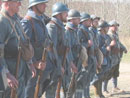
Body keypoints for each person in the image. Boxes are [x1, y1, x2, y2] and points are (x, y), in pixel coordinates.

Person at [0, 0, 36, 98]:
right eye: (17, 1)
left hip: (20, 69)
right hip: (9, 72)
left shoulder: (15, 19)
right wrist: (6, 74)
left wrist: (30, 62)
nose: (20, 4)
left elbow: (23, 42)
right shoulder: (2, 21)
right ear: (7, 3)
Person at [21, 0, 52, 97]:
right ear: (34, 6)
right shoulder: (27, 22)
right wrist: (34, 62)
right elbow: (23, 47)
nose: (45, 6)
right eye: (42, 3)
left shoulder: (40, 21)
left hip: (42, 69)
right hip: (31, 71)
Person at [46, 2, 69, 98]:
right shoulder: (52, 26)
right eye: (65, 13)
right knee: (51, 88)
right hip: (54, 63)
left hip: (61, 61)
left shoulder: (60, 26)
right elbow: (52, 49)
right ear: (59, 14)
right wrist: (59, 66)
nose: (67, 15)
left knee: (58, 87)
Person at [107, 20, 127, 93]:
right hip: (111, 57)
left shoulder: (115, 34)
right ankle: (104, 90)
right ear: (110, 26)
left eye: (116, 26)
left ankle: (115, 87)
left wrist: (124, 48)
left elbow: (119, 43)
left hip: (117, 57)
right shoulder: (108, 34)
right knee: (108, 73)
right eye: (114, 25)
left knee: (115, 73)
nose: (115, 27)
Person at [77, 12, 94, 98]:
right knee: (80, 80)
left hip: (89, 58)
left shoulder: (88, 30)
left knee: (87, 79)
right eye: (88, 20)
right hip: (82, 59)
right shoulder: (80, 31)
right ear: (83, 21)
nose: (90, 21)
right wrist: (87, 44)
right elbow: (77, 46)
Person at [64, 9, 80, 98]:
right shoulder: (67, 31)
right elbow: (68, 50)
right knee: (67, 86)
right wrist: (71, 64)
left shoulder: (75, 30)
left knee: (73, 85)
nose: (79, 20)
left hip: (75, 61)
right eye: (77, 18)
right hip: (69, 63)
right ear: (71, 19)